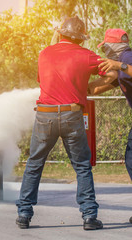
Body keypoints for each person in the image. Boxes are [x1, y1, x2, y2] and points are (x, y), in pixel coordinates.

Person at [16, 16, 116, 230]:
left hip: (45, 114)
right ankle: (89, 216)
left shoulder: (44, 53)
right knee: (81, 166)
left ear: (60, 33)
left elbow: (44, 81)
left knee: (34, 164)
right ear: (81, 39)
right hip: (72, 115)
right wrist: (94, 86)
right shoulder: (88, 55)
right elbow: (113, 74)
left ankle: (24, 214)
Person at [88, 28, 132, 224]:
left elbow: (125, 67)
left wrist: (118, 64)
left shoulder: (127, 57)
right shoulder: (120, 70)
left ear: (113, 46)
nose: (105, 52)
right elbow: (96, 87)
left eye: (106, 47)